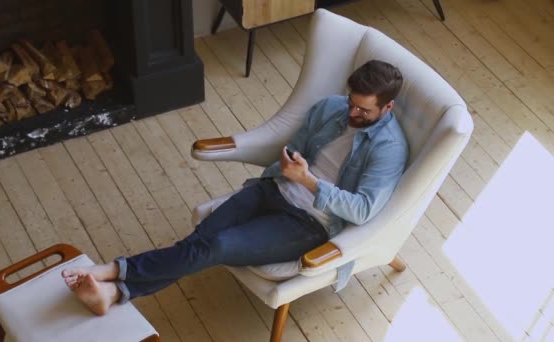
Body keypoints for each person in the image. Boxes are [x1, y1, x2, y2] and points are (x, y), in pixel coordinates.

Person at [62, 60, 409, 315]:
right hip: (273, 189)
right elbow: (296, 147)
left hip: (309, 223)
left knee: (214, 246)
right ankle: (114, 293)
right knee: (198, 243)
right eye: (351, 102)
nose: (351, 112)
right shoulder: (331, 108)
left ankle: (111, 271)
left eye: (363, 110)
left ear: (387, 107)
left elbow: (364, 209)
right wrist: (291, 166)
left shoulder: (389, 148)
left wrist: (307, 180)